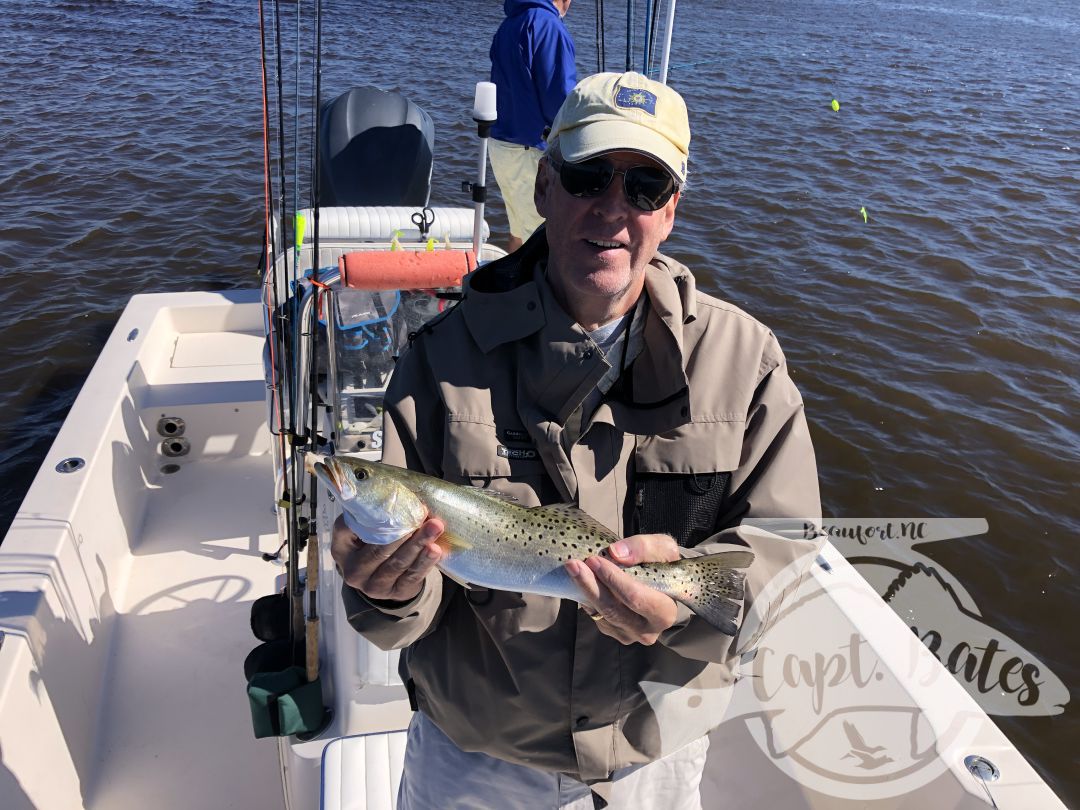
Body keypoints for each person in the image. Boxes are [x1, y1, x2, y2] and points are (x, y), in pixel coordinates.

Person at [331, 72, 825, 809]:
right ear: (543, 189)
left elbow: (787, 555)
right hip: (477, 755)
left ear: (671, 212)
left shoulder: (747, 363)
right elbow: (404, 611)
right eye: (589, 176)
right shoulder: (438, 357)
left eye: (645, 187)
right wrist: (384, 589)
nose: (612, 210)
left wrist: (686, 605)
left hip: (655, 754)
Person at [488, 0, 577, 252]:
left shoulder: (510, 23)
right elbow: (560, 101)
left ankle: (510, 288)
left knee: (518, 230)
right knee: (544, 240)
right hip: (529, 151)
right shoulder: (548, 25)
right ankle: (531, 290)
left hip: (501, 146)